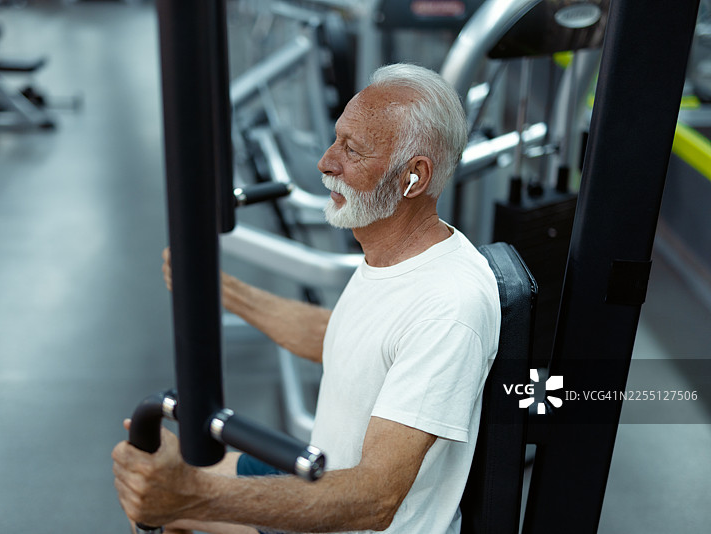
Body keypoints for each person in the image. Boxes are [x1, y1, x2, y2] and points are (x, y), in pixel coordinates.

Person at [113, 63, 501, 534]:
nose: (325, 161)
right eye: (337, 138)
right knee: (154, 491)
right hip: (330, 482)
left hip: (352, 516)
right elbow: (342, 338)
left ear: (413, 178)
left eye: (352, 150)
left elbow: (375, 499)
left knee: (174, 499)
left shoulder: (449, 305)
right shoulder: (393, 251)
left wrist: (196, 496)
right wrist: (219, 290)